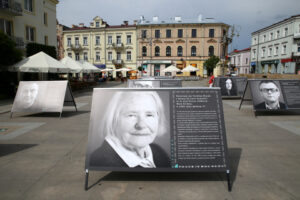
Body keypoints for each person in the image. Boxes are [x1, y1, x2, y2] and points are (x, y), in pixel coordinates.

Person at [90, 91, 170, 168]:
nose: (141, 125)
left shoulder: (158, 151)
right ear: (114, 120)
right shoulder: (100, 161)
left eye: (149, 115)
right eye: (131, 115)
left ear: (158, 118)